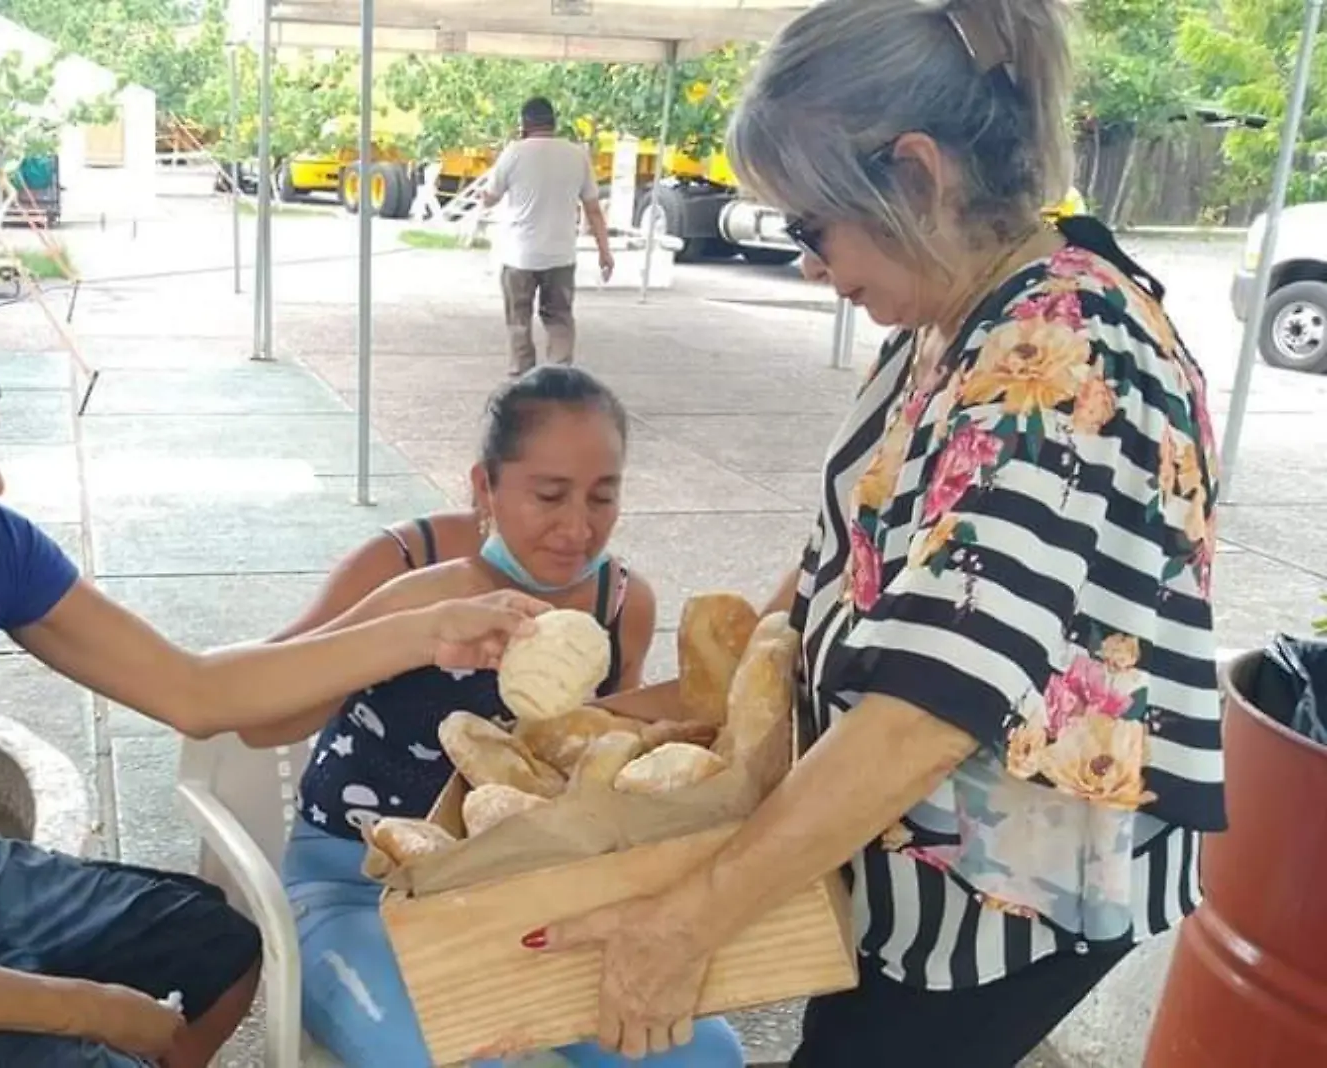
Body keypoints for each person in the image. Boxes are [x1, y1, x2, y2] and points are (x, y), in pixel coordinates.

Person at [519, 3, 1227, 1067]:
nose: (808, 263)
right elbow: (844, 557)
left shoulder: (1060, 353)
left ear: (912, 174)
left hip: (1009, 878)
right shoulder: (955, 313)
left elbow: (931, 703)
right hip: (925, 843)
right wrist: (683, 717)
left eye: (810, 226)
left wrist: (687, 920)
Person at [0, 289, 549, 1067]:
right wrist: (84, 1008)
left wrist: (426, 632)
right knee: (100, 1037)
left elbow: (195, 691)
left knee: (226, 950)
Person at [239, 366, 747, 1068]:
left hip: (526, 894)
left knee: (700, 1057)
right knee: (439, 1054)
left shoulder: (622, 602)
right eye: (549, 495)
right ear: (484, 486)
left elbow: (589, 762)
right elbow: (257, 721)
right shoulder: (401, 567)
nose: (578, 528)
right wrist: (403, 625)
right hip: (355, 891)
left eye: (603, 497)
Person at [481, 97, 617, 377]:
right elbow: (593, 209)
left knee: (518, 320)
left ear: (524, 124)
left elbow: (489, 199)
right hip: (561, 255)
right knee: (559, 319)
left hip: (519, 256)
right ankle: (558, 377)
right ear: (553, 122)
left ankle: (522, 378)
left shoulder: (513, 152)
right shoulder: (576, 154)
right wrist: (605, 252)